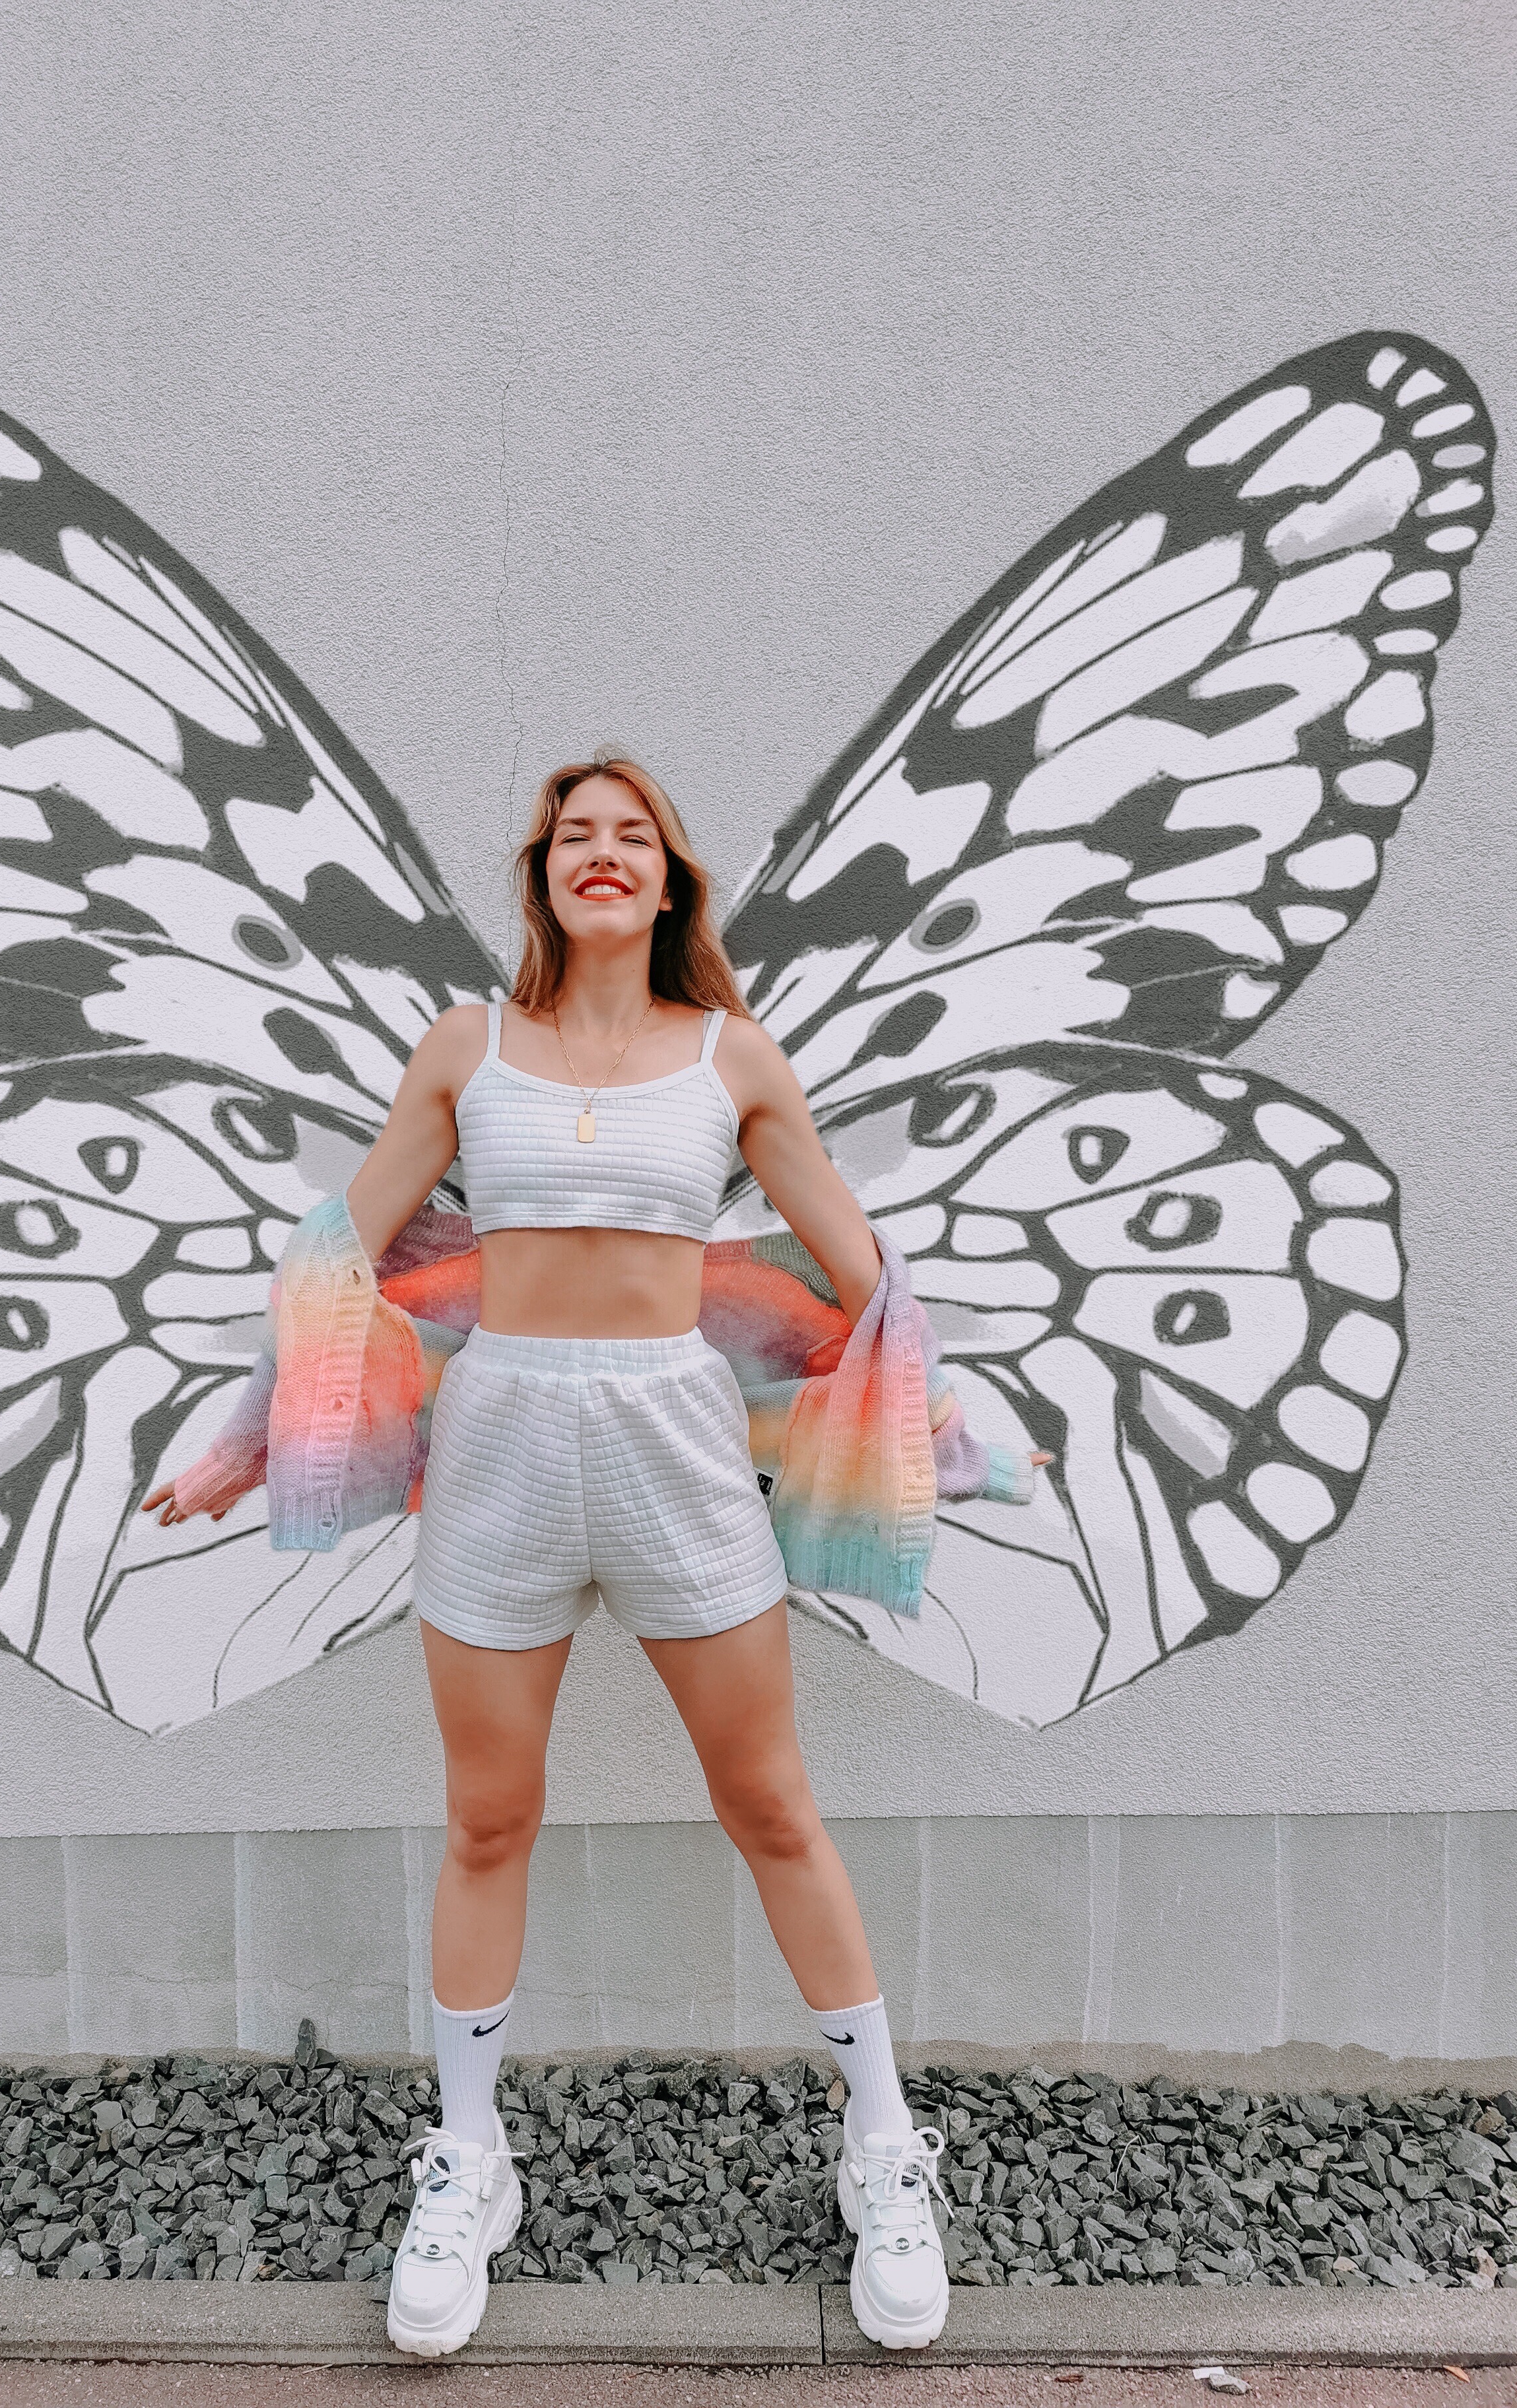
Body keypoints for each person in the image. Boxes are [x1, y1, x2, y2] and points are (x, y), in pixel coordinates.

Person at [145, 756, 1046, 2356]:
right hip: (501, 1454)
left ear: (670, 879)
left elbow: (857, 1266)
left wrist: (964, 1434)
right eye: (577, 835)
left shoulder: (733, 1057)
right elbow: (337, 1255)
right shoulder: (465, 1049)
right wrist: (247, 1433)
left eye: (634, 836)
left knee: (771, 1804)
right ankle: (468, 2160)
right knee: (488, 1820)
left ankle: (883, 2146)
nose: (604, 854)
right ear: (544, 873)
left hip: (675, 1454)